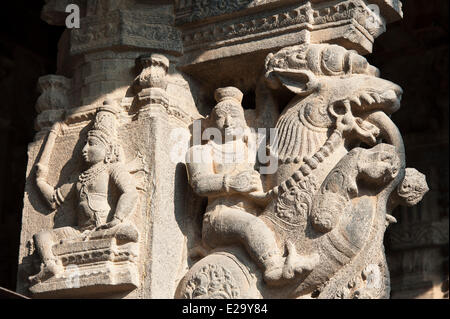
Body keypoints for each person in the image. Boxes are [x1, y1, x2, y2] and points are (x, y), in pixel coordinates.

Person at [186, 87, 319, 285]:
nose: (228, 122)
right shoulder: (201, 151)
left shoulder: (252, 150)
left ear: (244, 122)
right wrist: (232, 183)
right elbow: (199, 183)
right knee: (251, 226)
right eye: (221, 117)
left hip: (252, 211)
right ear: (210, 123)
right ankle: (273, 268)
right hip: (218, 218)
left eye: (234, 116)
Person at [30, 100, 139, 283]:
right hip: (80, 230)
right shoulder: (78, 176)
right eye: (85, 143)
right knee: (42, 237)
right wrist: (40, 181)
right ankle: (50, 265)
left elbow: (130, 192)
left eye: (91, 144)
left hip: (104, 226)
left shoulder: (112, 168)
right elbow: (53, 200)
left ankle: (100, 237)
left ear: (108, 149)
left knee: (126, 232)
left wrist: (117, 219)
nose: (84, 149)